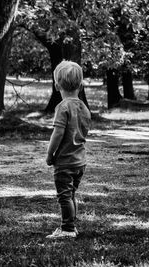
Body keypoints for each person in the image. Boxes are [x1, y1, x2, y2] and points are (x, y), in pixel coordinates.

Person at [46, 60, 91, 239]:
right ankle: (71, 225)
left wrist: (50, 154)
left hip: (65, 160)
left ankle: (67, 229)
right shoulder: (83, 108)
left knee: (64, 196)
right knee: (71, 194)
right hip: (80, 160)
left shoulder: (63, 107)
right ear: (80, 85)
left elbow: (57, 134)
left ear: (57, 85)